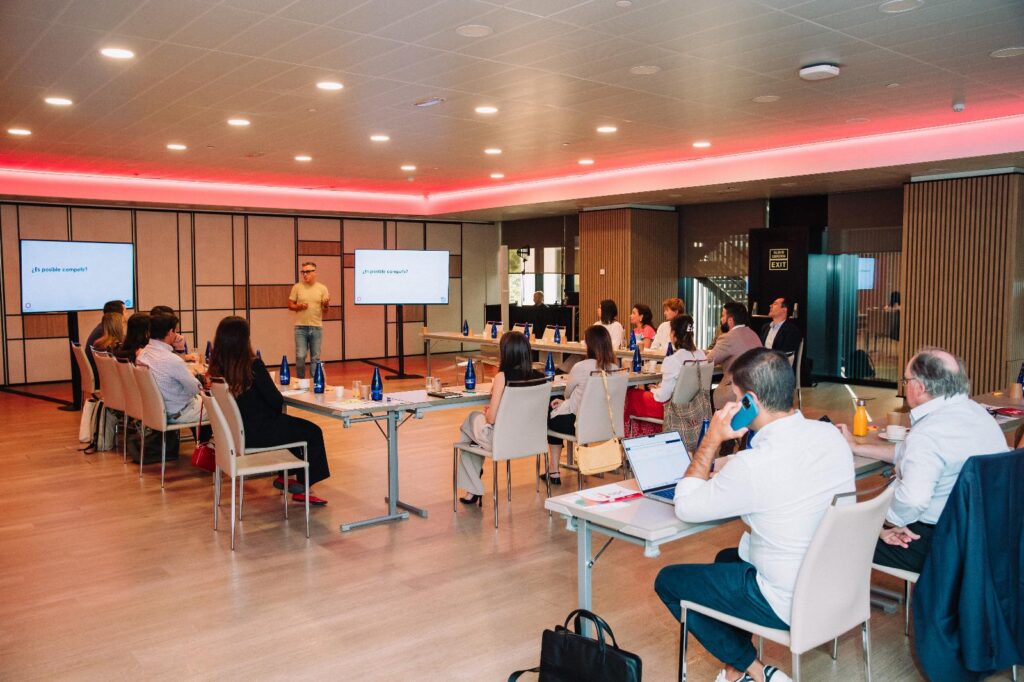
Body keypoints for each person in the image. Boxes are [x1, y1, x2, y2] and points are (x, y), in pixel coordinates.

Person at [654, 348, 855, 682]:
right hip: (836, 586)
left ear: (750, 402)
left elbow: (685, 505)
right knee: (727, 558)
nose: (731, 405)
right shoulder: (830, 437)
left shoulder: (754, 465)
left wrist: (711, 439)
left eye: (735, 398)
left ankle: (757, 671)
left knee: (669, 581)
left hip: (787, 600)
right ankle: (736, 671)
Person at [839, 347, 1007, 573]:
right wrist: (857, 447)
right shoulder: (979, 415)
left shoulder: (928, 433)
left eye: (906, 381)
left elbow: (913, 501)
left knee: (839, 535)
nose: (905, 385)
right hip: (986, 537)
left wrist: (884, 523)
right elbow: (908, 452)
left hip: (940, 544)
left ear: (919, 387)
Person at [208, 316, 331, 506]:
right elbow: (276, 400)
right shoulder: (252, 365)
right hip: (259, 432)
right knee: (312, 432)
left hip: (235, 434)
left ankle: (287, 475)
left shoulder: (218, 368)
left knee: (291, 427)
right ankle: (304, 486)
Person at [456, 331, 544, 505]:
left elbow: (491, 419)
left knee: (470, 422)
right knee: (471, 436)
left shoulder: (502, 377)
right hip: (531, 440)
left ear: (506, 353)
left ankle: (473, 485)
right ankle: (472, 487)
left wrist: (490, 411)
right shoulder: (541, 377)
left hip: (503, 441)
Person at [544, 325, 620, 485]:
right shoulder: (615, 369)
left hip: (578, 424)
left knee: (550, 414)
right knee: (558, 408)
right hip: (604, 425)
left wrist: (565, 402)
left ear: (590, 345)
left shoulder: (581, 367)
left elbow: (567, 394)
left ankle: (554, 470)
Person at [623, 315, 708, 438]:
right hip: (697, 408)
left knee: (631, 395)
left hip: (674, 410)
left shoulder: (673, 360)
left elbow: (663, 397)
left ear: (673, 334)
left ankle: (634, 438)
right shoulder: (702, 355)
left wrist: (654, 390)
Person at [137, 313, 203, 425]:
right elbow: (196, 388)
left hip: (156, 411)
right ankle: (208, 437)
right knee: (219, 408)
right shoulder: (171, 359)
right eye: (176, 331)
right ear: (170, 332)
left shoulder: (142, 355)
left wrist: (180, 348)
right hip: (179, 412)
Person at [706, 302, 762, 408]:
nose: (721, 319)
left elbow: (708, 361)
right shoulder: (753, 334)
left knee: (704, 397)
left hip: (735, 392)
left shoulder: (728, 337)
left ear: (730, 320)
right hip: (756, 391)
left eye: (723, 316)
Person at [288, 262, 330, 379]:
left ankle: (314, 382)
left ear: (314, 273)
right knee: (300, 356)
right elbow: (290, 305)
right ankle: (300, 381)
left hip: (316, 327)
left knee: (315, 358)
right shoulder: (297, 287)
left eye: (307, 272)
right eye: (303, 272)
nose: (305, 274)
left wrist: (326, 304)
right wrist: (299, 306)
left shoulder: (322, 288)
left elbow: (326, 311)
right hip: (300, 328)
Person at [85, 300, 125, 378]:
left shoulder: (102, 331)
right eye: (125, 311)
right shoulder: (104, 336)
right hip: (103, 376)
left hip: (99, 374)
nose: (126, 315)